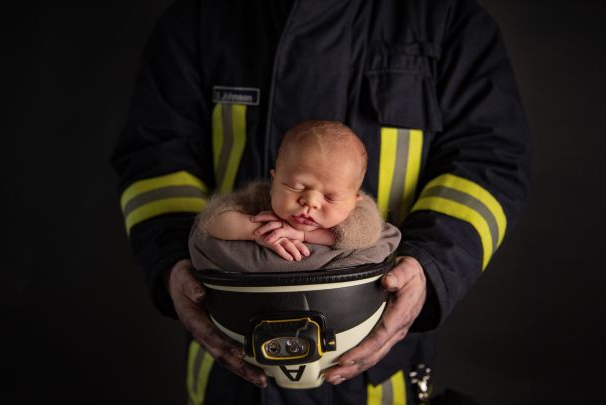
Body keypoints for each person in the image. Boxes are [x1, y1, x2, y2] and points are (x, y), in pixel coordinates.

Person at [111, 0, 531, 403]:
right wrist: (174, 262)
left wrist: (429, 265)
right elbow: (156, 161)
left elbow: (487, 161)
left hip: (375, 374)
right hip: (230, 362)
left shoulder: (447, 19)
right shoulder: (201, 18)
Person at [196, 120, 387, 263]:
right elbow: (211, 220)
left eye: (330, 197)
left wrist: (305, 236)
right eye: (297, 187)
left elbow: (368, 233)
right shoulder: (259, 197)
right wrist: (259, 231)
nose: (310, 201)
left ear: (355, 200)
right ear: (274, 181)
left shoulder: (358, 212)